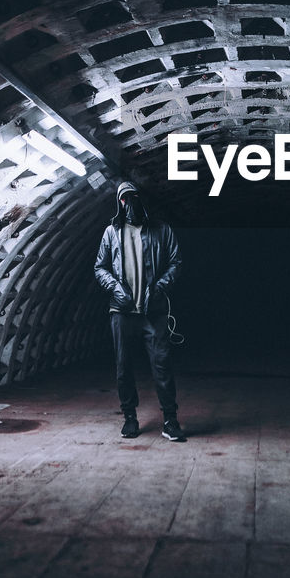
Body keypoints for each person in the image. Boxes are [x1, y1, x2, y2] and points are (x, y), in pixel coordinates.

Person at [93, 180, 185, 441]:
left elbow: (175, 262)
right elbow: (100, 267)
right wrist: (114, 287)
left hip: (153, 311)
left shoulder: (161, 230)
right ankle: (130, 419)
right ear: (118, 202)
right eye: (123, 199)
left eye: (132, 197)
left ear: (140, 198)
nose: (128, 203)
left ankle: (170, 420)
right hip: (121, 312)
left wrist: (158, 286)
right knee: (124, 367)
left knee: (162, 364)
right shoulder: (111, 232)